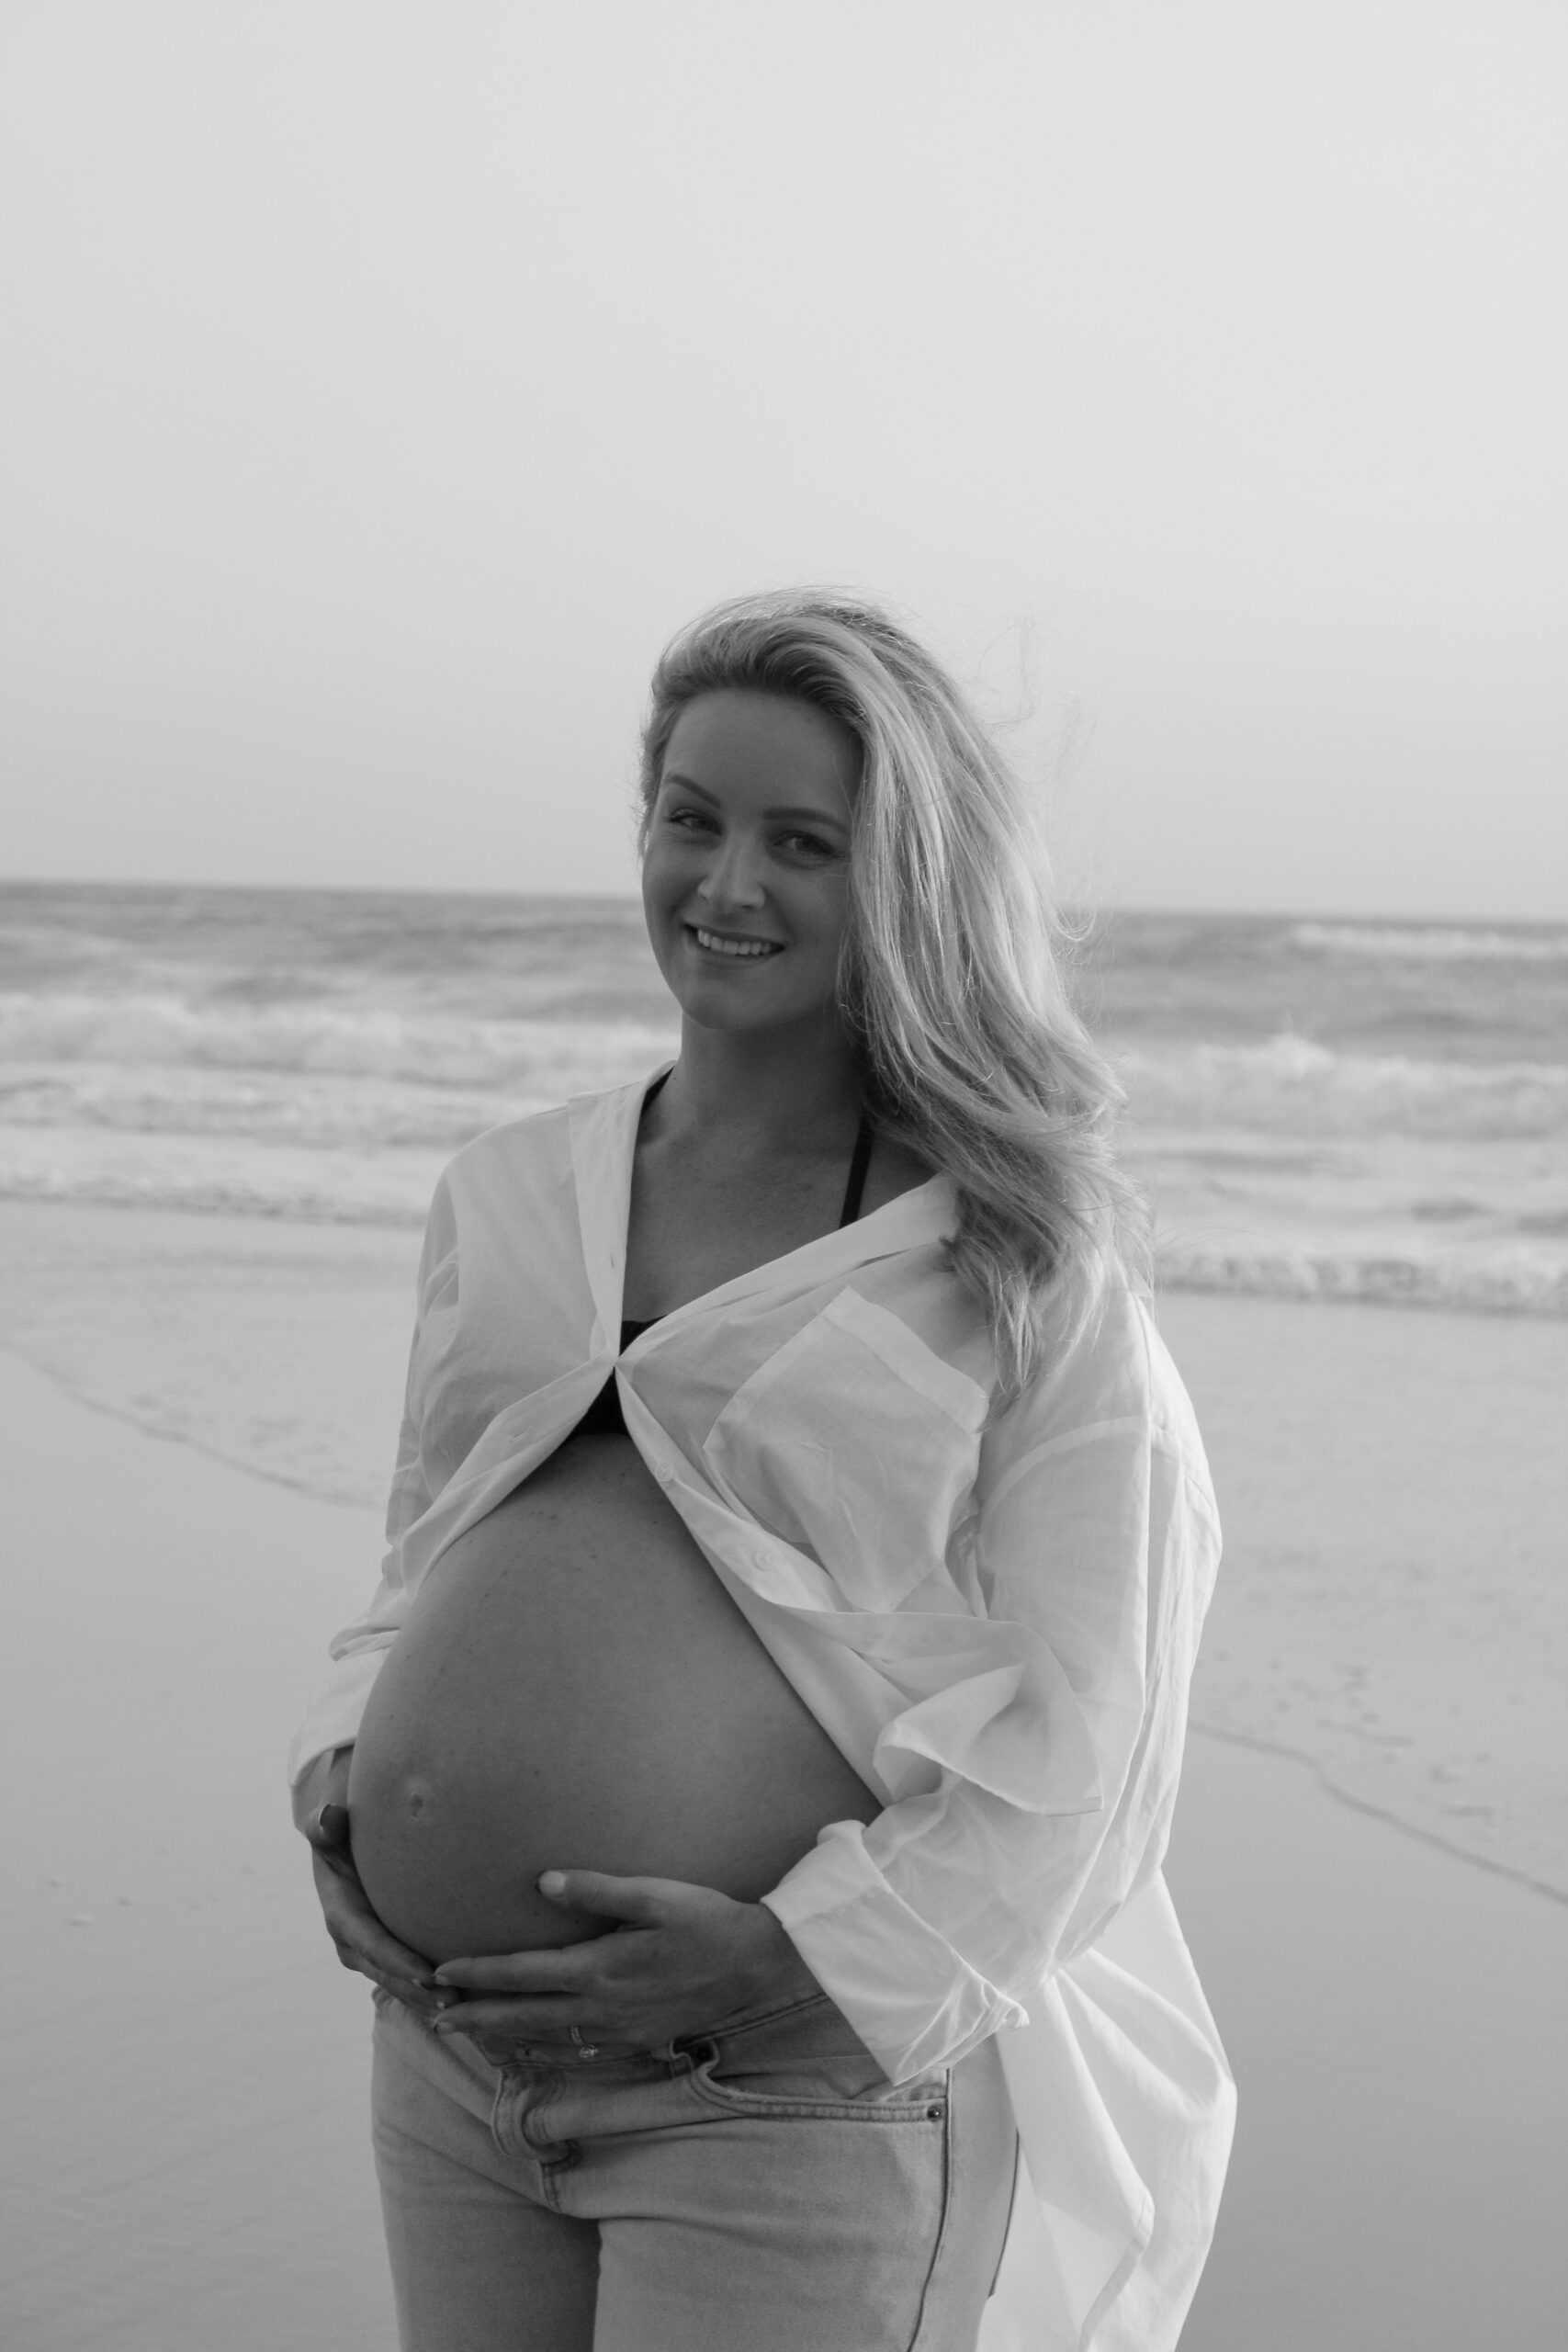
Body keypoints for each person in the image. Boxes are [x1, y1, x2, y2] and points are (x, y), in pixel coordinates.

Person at [288, 590, 1234, 2352]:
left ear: (907, 882)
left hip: (778, 2096)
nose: (726, 884)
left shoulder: (1015, 1256)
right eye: (692, 818)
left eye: (804, 842)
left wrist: (801, 1960)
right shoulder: (508, 1192)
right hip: (452, 2060)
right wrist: (342, 1779)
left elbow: (1102, 1724)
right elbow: (427, 1560)